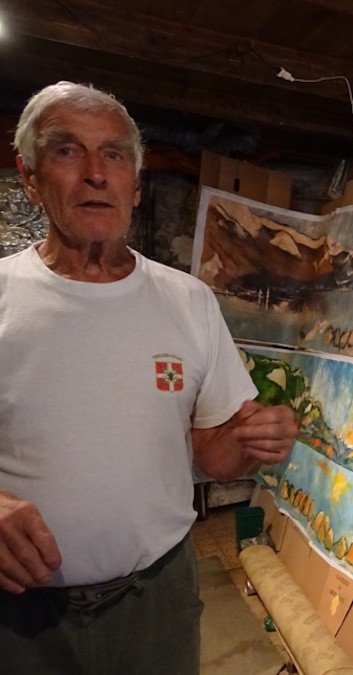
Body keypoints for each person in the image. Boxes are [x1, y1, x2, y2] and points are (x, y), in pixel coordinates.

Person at [0, 81, 298, 674]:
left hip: (155, 600)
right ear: (29, 178)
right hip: (19, 615)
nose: (95, 173)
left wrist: (248, 445)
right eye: (66, 151)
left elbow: (211, 455)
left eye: (113, 154)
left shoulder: (187, 300)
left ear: (135, 183)